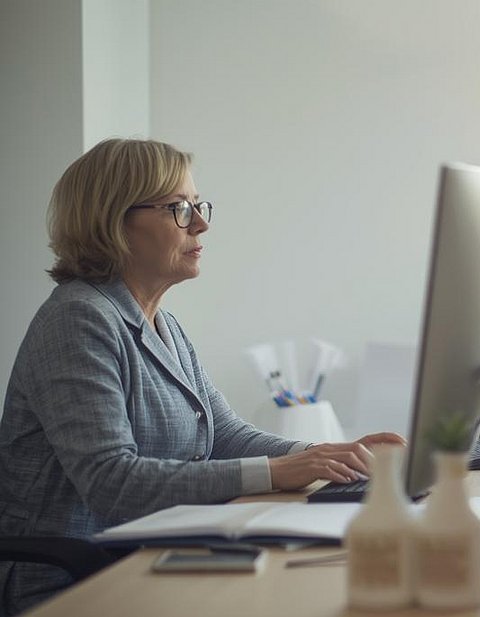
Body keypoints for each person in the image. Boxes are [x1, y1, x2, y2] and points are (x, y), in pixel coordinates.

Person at [0, 139, 405, 614]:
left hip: (149, 556)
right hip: (74, 581)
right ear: (113, 221)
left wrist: (321, 456)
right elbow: (111, 481)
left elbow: (225, 434)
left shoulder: (161, 323)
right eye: (178, 208)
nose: (201, 223)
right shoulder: (77, 320)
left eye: (197, 204)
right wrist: (279, 472)